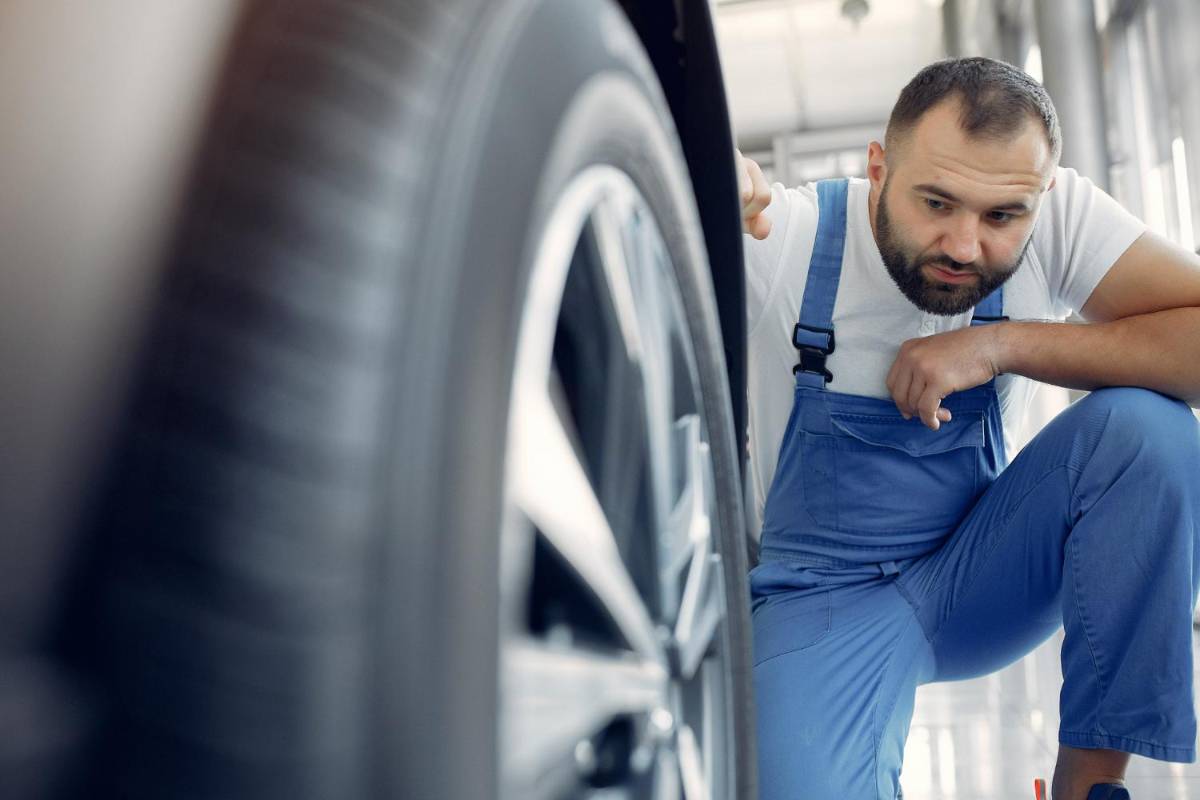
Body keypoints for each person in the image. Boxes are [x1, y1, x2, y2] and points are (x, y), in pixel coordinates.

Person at [737, 56, 1200, 800]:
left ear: (1040, 196)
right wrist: (700, 186)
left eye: (1000, 217)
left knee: (1150, 431)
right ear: (879, 169)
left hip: (979, 576)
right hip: (821, 598)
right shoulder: (782, 238)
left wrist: (998, 344)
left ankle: (1089, 784)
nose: (963, 244)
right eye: (936, 202)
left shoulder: (1054, 215)